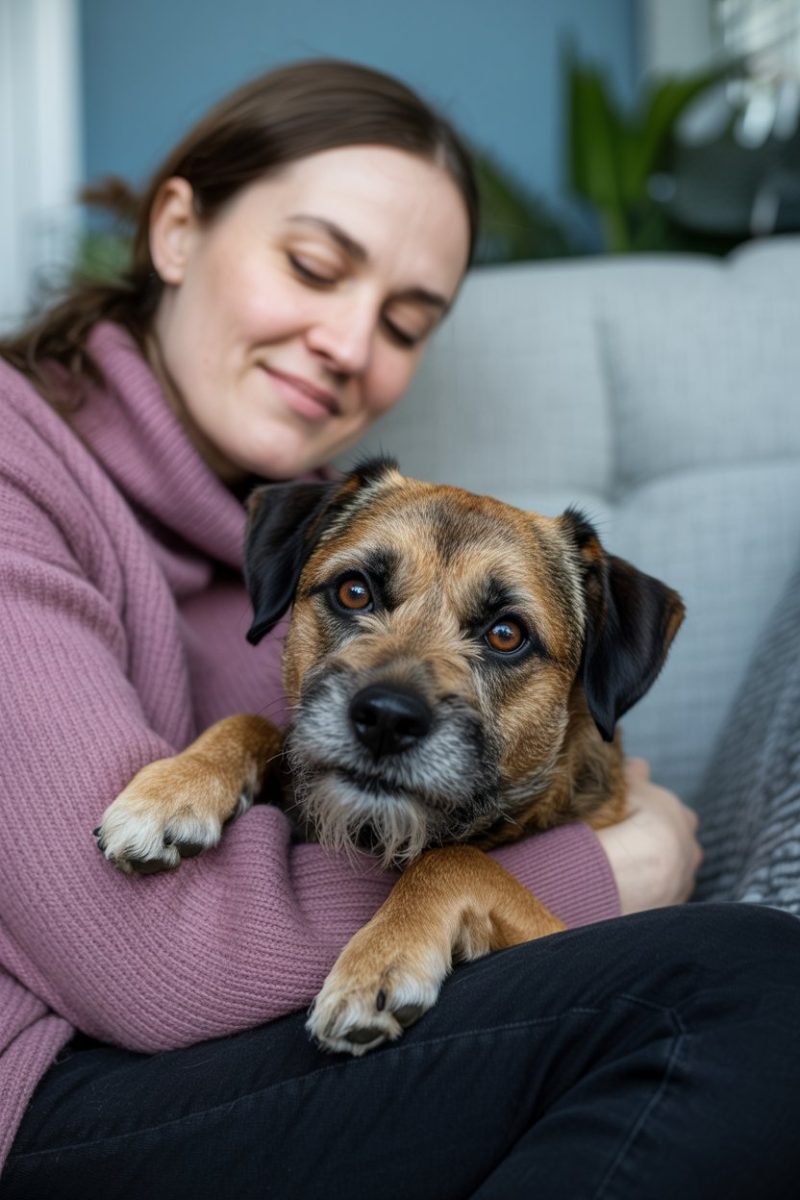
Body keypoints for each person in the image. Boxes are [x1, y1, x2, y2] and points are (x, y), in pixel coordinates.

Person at [0, 59, 797, 1200]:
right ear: (175, 230)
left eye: (404, 319)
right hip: (46, 1101)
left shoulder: (326, 513)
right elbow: (144, 961)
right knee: (745, 994)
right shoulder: (19, 464)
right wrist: (612, 870)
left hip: (251, 1055)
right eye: (312, 265)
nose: (345, 340)